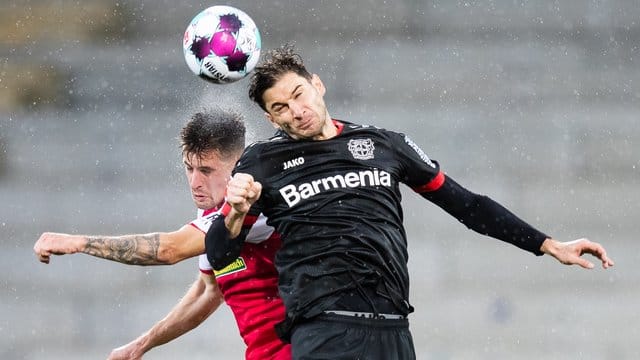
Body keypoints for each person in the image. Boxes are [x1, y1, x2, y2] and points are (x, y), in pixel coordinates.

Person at [204, 45, 615, 360]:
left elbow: (467, 205)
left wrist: (546, 244)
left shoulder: (383, 145)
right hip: (323, 330)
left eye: (299, 94)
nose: (297, 111)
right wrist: (236, 212)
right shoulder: (261, 162)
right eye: (280, 108)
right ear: (272, 119)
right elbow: (221, 254)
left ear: (317, 84)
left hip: (393, 330)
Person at [33, 109, 290, 360]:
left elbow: (170, 249)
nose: (194, 182)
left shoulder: (254, 203)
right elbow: (208, 291)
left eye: (206, 170)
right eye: (189, 168)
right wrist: (141, 345)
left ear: (238, 163)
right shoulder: (212, 210)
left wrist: (79, 243)